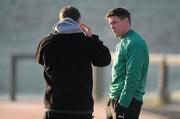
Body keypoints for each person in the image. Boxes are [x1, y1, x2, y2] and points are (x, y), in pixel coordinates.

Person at [35, 5, 111, 119]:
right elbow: (104, 60)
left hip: (54, 106)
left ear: (60, 19)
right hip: (80, 108)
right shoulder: (86, 42)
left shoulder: (47, 42)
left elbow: (39, 59)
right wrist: (92, 37)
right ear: (79, 21)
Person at [105, 7, 149, 119]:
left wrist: (122, 105)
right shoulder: (122, 43)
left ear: (126, 21)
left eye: (114, 22)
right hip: (115, 98)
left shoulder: (135, 43)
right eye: (110, 24)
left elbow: (132, 76)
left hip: (128, 102)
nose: (112, 26)